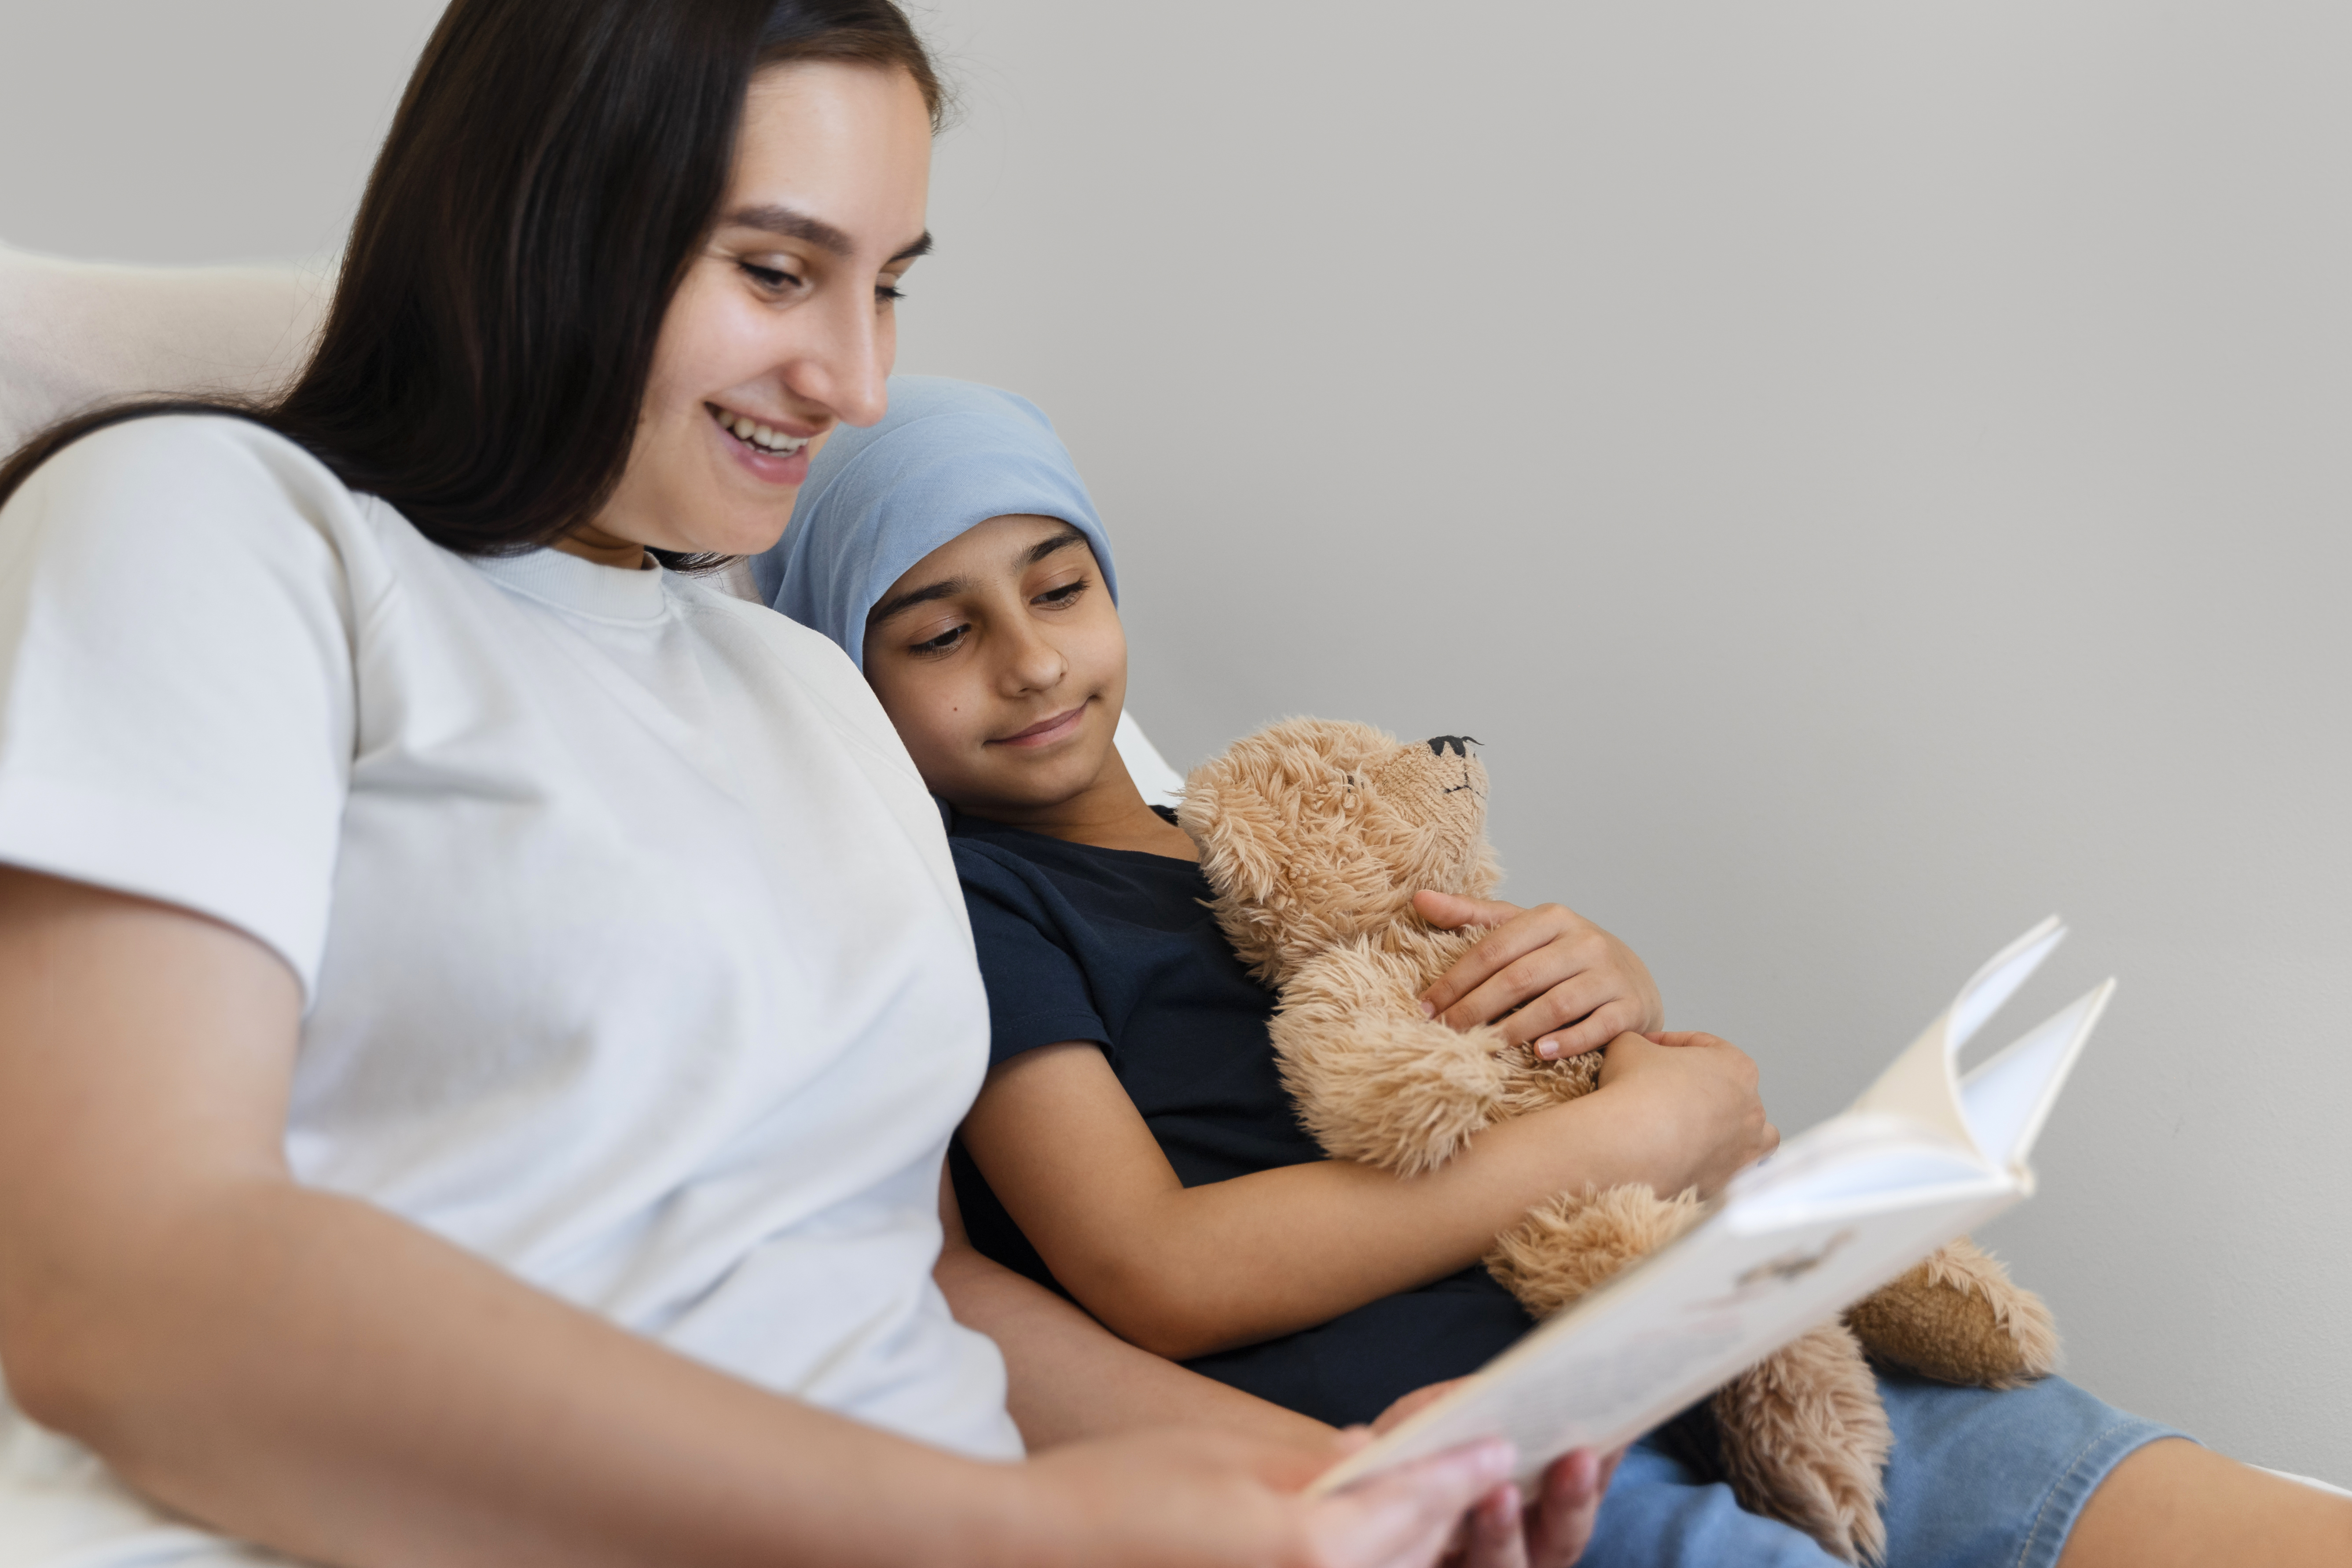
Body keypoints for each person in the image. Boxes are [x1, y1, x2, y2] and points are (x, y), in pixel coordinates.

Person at [0, 4, 1618, 1566]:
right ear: (539, 219)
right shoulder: (218, 525)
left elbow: (914, 1283)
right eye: (777, 273)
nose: (852, 382)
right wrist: (1006, 1538)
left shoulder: (804, 694)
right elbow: (128, 1289)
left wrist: (1337, 1492)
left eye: (889, 287)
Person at [761, 374, 2352, 1568]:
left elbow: (1523, 1038)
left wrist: (1610, 983)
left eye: (1057, 585)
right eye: (937, 631)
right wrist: (1609, 1141)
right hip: (1505, 1449)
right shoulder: (971, 908)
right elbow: (1150, 1269)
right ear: (850, 674)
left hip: (1710, 1341)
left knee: (2157, 1498)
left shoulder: (1279, 823)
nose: (1033, 659)